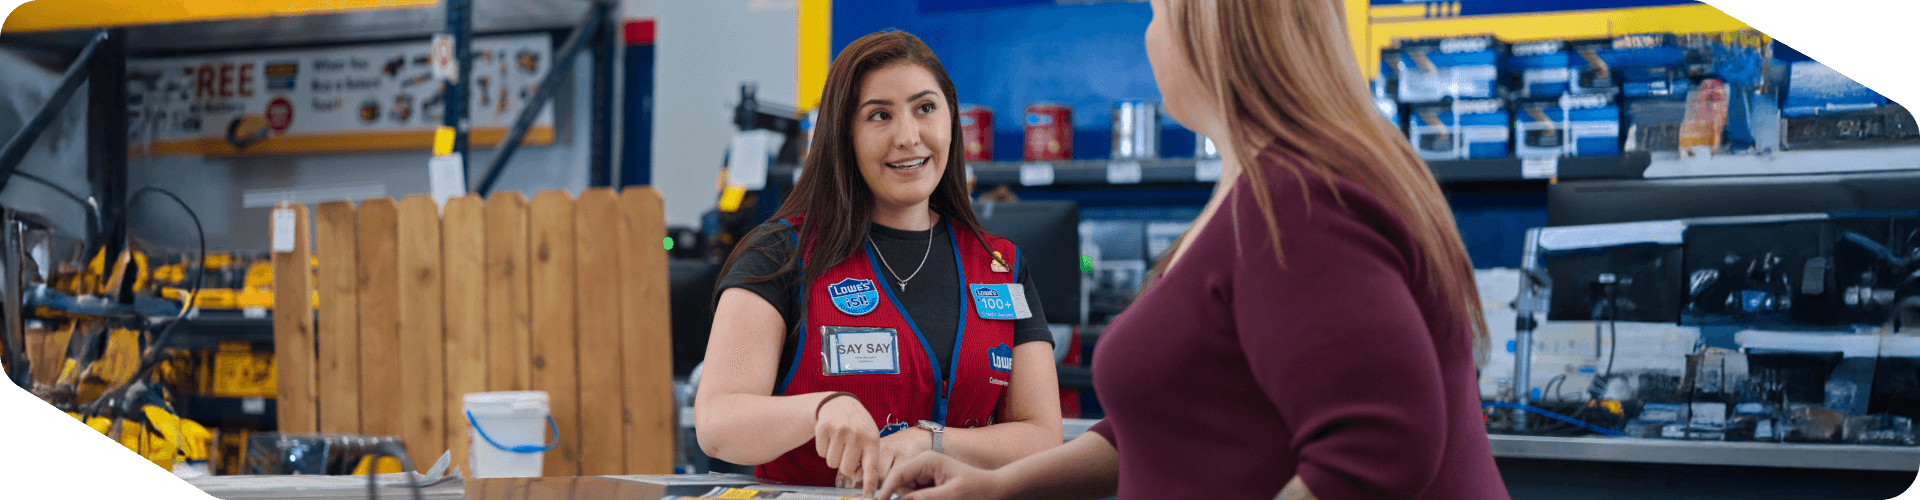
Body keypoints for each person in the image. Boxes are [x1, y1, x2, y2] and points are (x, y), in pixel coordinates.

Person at [877, 0, 1512, 499]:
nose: (1149, 38)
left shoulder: (1295, 202)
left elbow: (1380, 445)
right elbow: (1161, 420)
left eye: (1156, 14)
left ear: (1208, 29)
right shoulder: (1262, 190)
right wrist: (997, 487)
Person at [693, 30, 1064, 496]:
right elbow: (718, 420)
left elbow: (1041, 436)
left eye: (925, 108)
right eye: (879, 115)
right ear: (843, 134)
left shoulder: (999, 265)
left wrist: (930, 441)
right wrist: (821, 409)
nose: (908, 137)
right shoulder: (779, 254)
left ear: (950, 121)